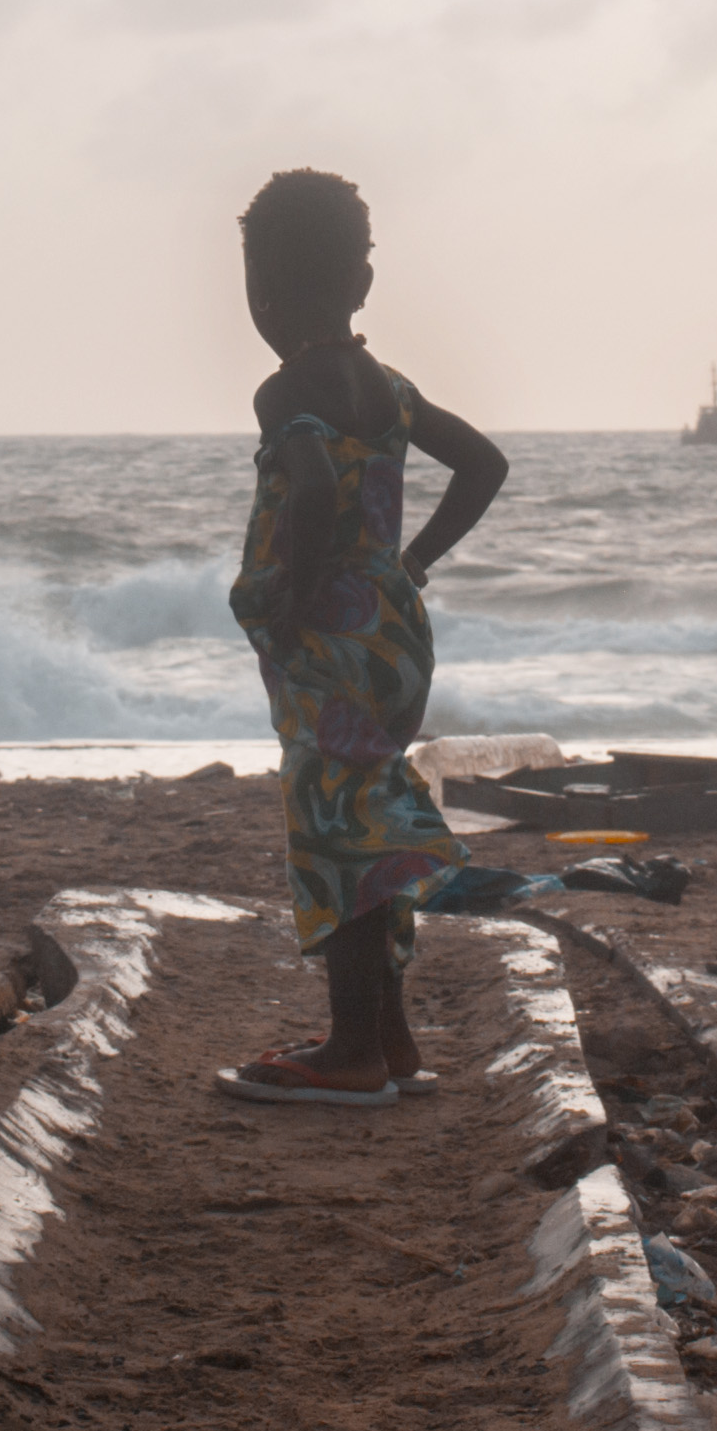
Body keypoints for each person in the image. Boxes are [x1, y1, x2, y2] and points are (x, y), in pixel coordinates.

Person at [216, 170, 510, 1105]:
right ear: (363, 282)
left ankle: (349, 1049)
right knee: (370, 807)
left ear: (261, 293)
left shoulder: (285, 389)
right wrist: (412, 559)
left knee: (338, 827)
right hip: (394, 637)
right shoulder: (388, 389)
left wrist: (300, 600)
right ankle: (388, 1036)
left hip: (331, 647)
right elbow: (484, 464)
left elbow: (305, 486)